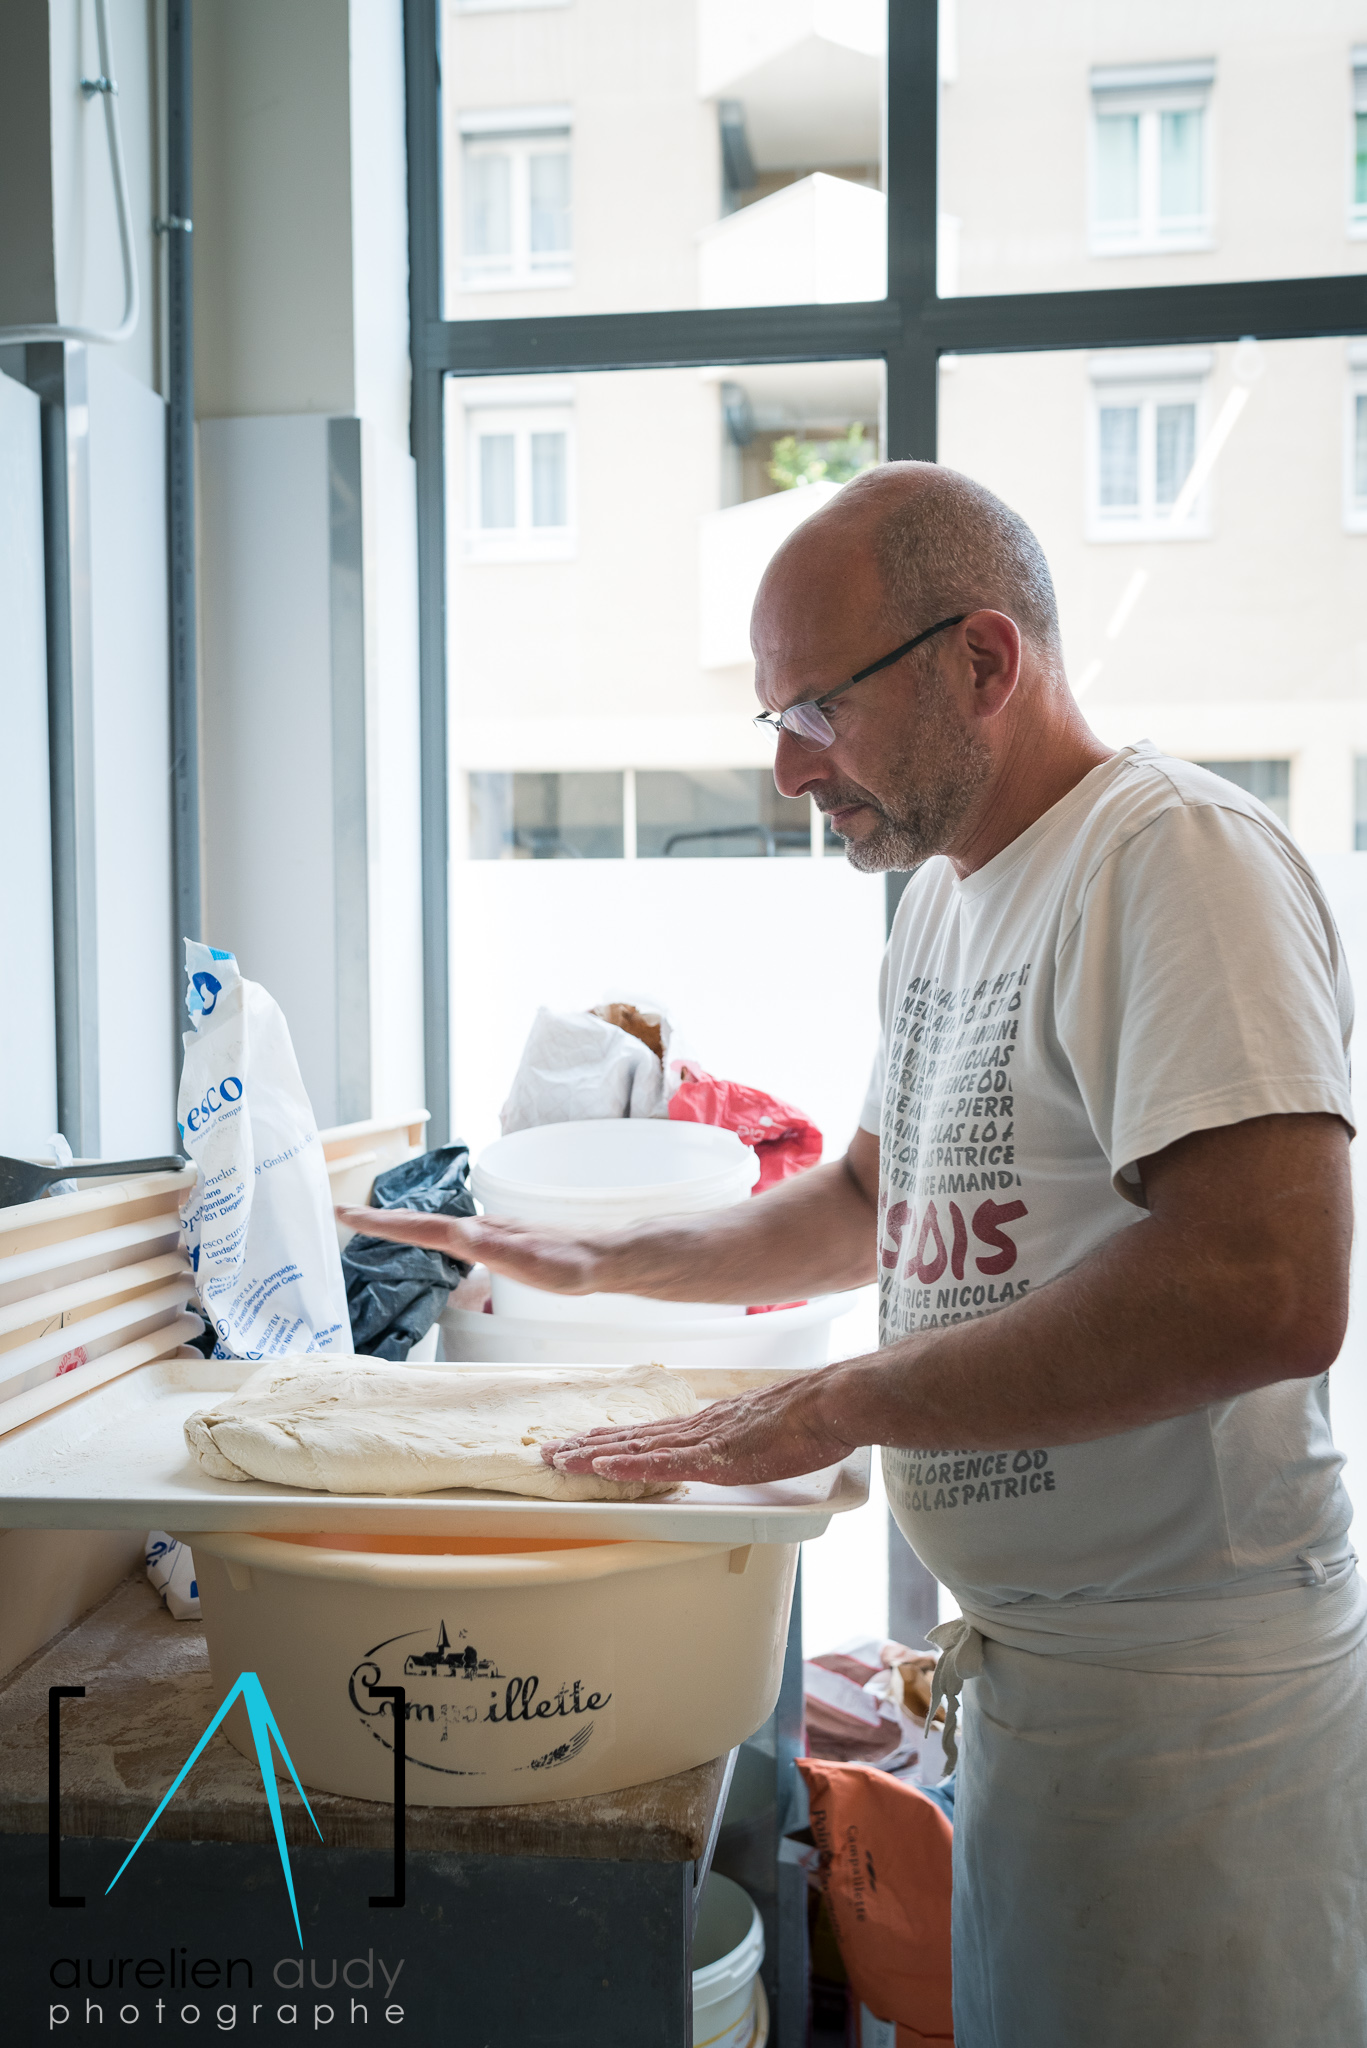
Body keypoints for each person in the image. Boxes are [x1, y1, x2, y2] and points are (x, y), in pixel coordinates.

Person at [341, 463, 1366, 2045]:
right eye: (773, 721)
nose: (787, 773)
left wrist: (842, 1404)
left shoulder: (1173, 862)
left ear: (983, 661)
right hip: (1043, 1688)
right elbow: (852, 1204)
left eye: (816, 709)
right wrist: (588, 1256)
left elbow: (1270, 1286)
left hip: (1193, 1720)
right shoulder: (952, 906)